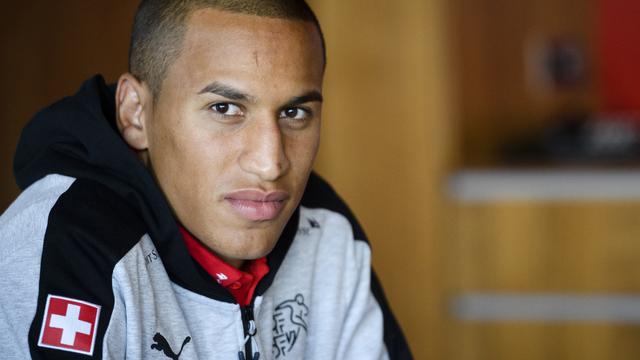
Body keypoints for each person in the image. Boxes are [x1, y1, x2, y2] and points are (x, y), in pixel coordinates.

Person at [0, 0, 412, 359]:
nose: (270, 164)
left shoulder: (326, 229)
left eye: (294, 113)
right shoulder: (65, 245)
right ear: (135, 113)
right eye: (224, 108)